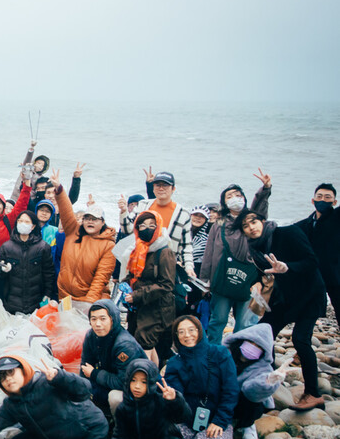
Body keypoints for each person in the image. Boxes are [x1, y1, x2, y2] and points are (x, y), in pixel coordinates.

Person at [240, 209, 327, 410]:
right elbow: (263, 272)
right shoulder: (255, 249)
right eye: (245, 226)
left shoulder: (288, 233)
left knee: (300, 339)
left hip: (310, 295)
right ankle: (268, 377)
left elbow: (312, 261)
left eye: (253, 222)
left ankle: (313, 393)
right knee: (263, 331)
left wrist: (287, 267)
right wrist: (257, 284)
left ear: (263, 221)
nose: (251, 228)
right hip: (287, 298)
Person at [199, 172, 272, 343]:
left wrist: (265, 189)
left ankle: (239, 358)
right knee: (218, 320)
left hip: (250, 280)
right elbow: (209, 253)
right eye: (229, 196)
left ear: (245, 198)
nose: (234, 199)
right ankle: (213, 355)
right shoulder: (219, 224)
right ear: (224, 202)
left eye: (238, 195)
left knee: (246, 324)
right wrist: (205, 281)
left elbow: (260, 207)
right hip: (222, 279)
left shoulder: (252, 220)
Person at [163, 316, 238, 439]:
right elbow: (178, 400)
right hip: (186, 419)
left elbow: (230, 390)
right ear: (176, 336)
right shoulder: (174, 363)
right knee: (166, 433)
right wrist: (173, 399)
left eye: (192, 330)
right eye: (181, 332)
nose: (187, 335)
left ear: (200, 331)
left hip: (216, 419)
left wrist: (220, 421)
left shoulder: (220, 353)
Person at [114, 210, 176, 365]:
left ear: (158, 227)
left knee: (143, 343)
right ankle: (153, 376)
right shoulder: (139, 250)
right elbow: (135, 275)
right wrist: (125, 283)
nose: (146, 229)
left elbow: (166, 284)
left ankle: (142, 379)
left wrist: (137, 295)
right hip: (139, 306)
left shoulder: (164, 251)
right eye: (142, 226)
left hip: (157, 308)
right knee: (142, 342)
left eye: (151, 225)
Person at [53, 170, 116, 304]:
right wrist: (59, 190)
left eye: (95, 219)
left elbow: (101, 278)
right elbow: (66, 210)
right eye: (87, 218)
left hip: (89, 299)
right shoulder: (72, 231)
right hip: (65, 296)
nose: (90, 221)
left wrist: (89, 303)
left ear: (103, 222)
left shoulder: (108, 245)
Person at [223, 324, 291, 439]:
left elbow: (252, 390)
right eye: (251, 342)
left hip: (241, 402)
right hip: (221, 398)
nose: (253, 347)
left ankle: (247, 424)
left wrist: (268, 381)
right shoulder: (225, 353)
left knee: (254, 400)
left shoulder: (263, 368)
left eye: (258, 346)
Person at [120, 172, 194, 282]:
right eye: (157, 185)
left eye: (165, 185)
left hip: (165, 265)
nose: (161, 188)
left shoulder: (183, 213)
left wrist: (189, 267)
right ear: (153, 188)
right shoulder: (143, 205)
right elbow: (128, 230)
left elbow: (186, 246)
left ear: (173, 189)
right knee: (134, 294)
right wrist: (123, 212)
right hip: (140, 260)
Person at [80, 300, 145, 415]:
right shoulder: (91, 335)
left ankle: (120, 424)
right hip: (109, 376)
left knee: (114, 397)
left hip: (136, 387)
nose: (98, 324)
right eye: (93, 319)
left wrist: (94, 374)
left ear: (112, 319)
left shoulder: (124, 345)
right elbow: (85, 366)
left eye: (103, 318)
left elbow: (123, 382)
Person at [0, 211, 55, 315]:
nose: (23, 224)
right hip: (12, 301)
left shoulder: (42, 247)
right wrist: (2, 269)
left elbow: (48, 272)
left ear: (33, 226)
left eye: (27, 222)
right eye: (20, 221)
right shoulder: (7, 247)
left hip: (35, 300)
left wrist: (48, 292)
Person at [0, 178, 31, 304]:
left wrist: (26, 185)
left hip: (4, 270)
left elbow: (21, 204)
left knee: (1, 303)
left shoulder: (8, 220)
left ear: (3, 205)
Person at [297, 183, 339, 315]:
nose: (323, 200)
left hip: (336, 275)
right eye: (319, 196)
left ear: (334, 202)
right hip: (313, 276)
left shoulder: (337, 218)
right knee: (307, 312)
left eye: (327, 197)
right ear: (313, 200)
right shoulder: (305, 224)